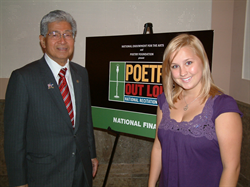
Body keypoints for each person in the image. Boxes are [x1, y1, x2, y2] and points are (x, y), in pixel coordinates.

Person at [4, 10, 98, 187]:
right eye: (54, 34)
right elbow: (13, 139)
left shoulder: (81, 74)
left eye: (68, 34)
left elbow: (86, 121)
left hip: (80, 171)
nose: (62, 40)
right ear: (42, 40)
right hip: (44, 176)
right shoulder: (23, 78)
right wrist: (18, 182)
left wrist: (91, 154)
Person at [148, 34, 242, 187]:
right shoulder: (165, 101)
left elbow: (232, 168)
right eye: (175, 66)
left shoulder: (223, 107)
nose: (183, 72)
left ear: (203, 61)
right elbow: (158, 148)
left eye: (188, 62)